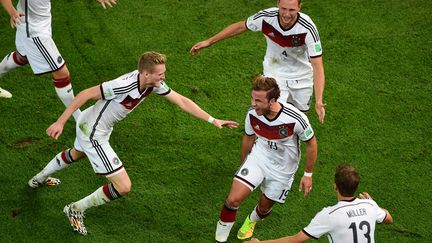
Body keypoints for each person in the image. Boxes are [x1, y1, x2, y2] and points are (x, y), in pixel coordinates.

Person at [27, 51, 239, 235]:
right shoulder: (123, 85)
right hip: (93, 133)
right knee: (123, 186)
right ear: (146, 73)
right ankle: (75, 209)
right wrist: (61, 121)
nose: (163, 77)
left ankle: (37, 179)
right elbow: (86, 94)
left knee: (76, 153)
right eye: (160, 73)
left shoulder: (152, 84)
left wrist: (213, 120)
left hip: (94, 125)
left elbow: (181, 100)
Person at [215, 76, 317, 242]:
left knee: (263, 208)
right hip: (259, 159)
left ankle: (251, 220)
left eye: (258, 100)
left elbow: (312, 144)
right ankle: (220, 239)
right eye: (252, 98)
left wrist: (308, 174)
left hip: (283, 169)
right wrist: (243, 164)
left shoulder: (295, 118)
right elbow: (248, 138)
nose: (253, 104)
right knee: (232, 199)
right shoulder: (252, 113)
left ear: (272, 101)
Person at [190, 0, 326, 124]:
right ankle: (263, 143)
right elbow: (240, 26)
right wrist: (209, 41)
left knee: (300, 118)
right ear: (277, 3)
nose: (286, 14)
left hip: (302, 77)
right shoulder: (266, 17)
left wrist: (319, 100)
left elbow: (317, 65)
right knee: (272, 115)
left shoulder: (307, 28)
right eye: (283, 8)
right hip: (275, 73)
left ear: (299, 7)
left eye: (291, 10)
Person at [0, 0, 117, 120]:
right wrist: (12, 12)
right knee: (61, 73)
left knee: (22, 57)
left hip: (39, 22)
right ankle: (81, 120)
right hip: (33, 30)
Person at [245, 164, 393, 243]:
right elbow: (389, 219)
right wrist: (373, 203)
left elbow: (295, 240)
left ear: (335, 186)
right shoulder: (370, 206)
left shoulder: (329, 214)